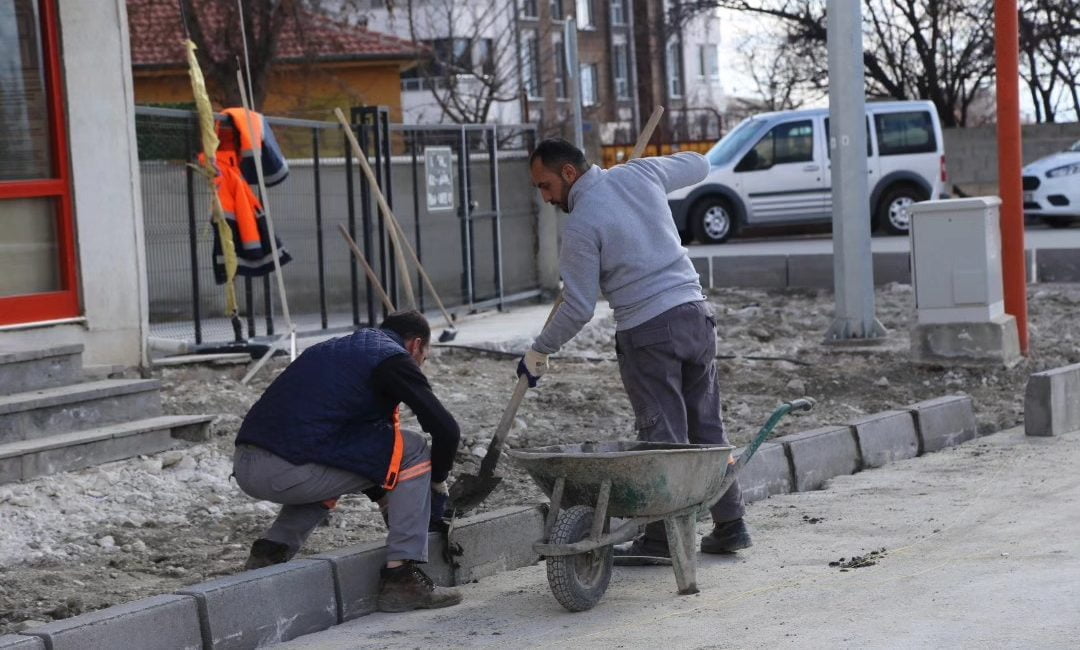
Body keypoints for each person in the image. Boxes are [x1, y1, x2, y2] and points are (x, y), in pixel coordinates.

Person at [519, 139, 751, 562]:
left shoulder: (582, 225)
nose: (546, 197)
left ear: (569, 173)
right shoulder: (639, 174)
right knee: (708, 430)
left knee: (664, 440)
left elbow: (578, 307)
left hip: (649, 333)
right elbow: (700, 164)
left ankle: (663, 542)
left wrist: (541, 350)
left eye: (546, 185)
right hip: (695, 316)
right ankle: (731, 525)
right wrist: (642, 169)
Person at [232, 310, 463, 612]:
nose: (421, 362)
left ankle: (270, 552)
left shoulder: (338, 350)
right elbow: (446, 429)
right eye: (425, 356)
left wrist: (382, 497)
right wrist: (437, 482)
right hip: (287, 468)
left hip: (247, 463)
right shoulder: (394, 360)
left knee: (339, 461)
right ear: (417, 345)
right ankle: (401, 579)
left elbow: (344, 446)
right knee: (415, 448)